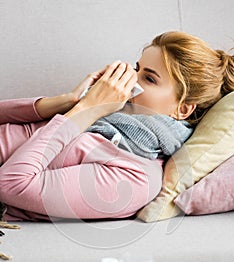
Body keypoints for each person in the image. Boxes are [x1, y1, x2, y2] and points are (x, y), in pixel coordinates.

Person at [0, 31, 233, 223]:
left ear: (182, 110)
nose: (130, 82)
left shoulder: (137, 178)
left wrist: (88, 109)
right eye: (136, 69)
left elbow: (12, 184)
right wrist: (68, 101)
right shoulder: (95, 118)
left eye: (149, 79)